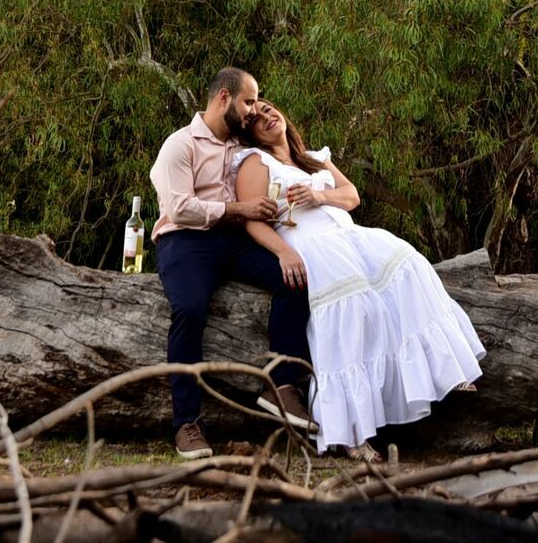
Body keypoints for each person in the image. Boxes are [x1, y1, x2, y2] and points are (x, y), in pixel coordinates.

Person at [230, 100, 484, 457]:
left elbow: (351, 196)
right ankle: (350, 433)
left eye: (270, 109)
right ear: (250, 133)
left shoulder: (313, 158)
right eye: (256, 119)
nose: (268, 116)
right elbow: (251, 218)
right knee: (352, 312)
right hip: (310, 243)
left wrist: (319, 195)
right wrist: (283, 252)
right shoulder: (256, 162)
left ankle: (443, 367)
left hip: (347, 234)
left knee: (409, 266)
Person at [148, 67, 316, 461]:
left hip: (237, 239)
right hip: (185, 240)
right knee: (189, 310)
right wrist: (239, 207)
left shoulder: (244, 144)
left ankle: (282, 386)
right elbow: (179, 208)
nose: (253, 110)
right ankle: (187, 423)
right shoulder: (180, 144)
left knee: (295, 278)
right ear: (224, 97)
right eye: (248, 101)